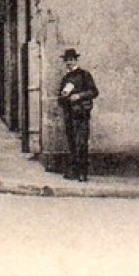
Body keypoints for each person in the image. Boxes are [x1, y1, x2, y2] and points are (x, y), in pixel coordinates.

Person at [57, 48, 99, 181]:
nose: (69, 62)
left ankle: (83, 173)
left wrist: (79, 96)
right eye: (67, 60)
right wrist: (63, 97)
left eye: (71, 59)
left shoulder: (84, 75)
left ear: (76, 60)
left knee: (81, 143)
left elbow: (94, 92)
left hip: (81, 114)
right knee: (72, 143)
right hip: (69, 114)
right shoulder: (66, 78)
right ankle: (74, 171)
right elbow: (60, 97)